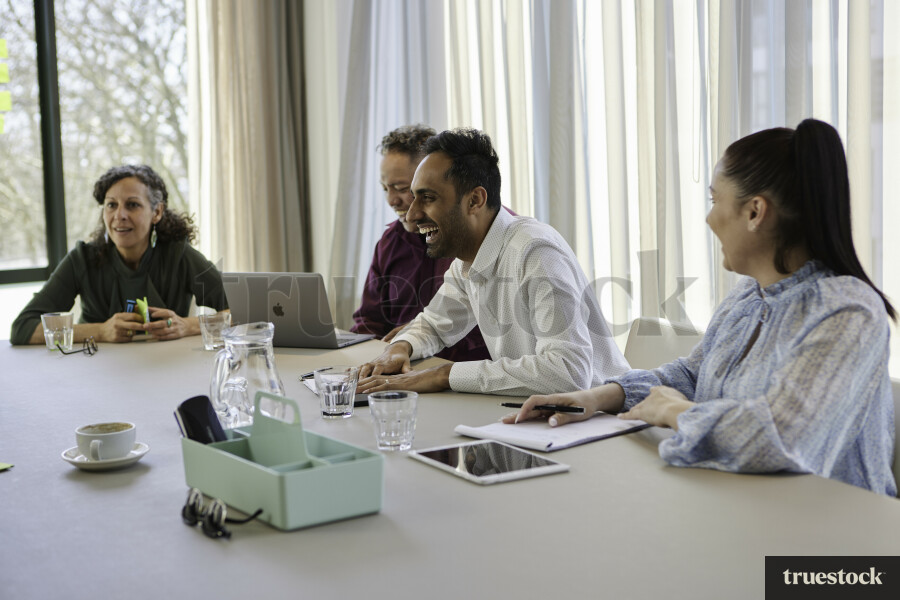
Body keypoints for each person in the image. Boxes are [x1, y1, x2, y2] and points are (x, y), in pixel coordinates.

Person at [506, 119, 897, 496]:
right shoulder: (748, 294)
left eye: (715, 200)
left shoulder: (848, 313)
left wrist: (677, 413)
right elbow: (693, 375)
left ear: (755, 212)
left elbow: (778, 437)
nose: (709, 218)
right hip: (741, 504)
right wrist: (594, 397)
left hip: (837, 543)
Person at [357, 127, 629, 396]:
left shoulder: (536, 252)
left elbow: (568, 371)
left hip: (603, 420)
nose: (413, 215)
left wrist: (444, 375)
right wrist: (400, 348)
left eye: (428, 198)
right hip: (544, 417)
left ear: (475, 200)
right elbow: (435, 323)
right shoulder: (468, 257)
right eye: (414, 197)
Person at [10, 164, 228, 345]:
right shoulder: (81, 259)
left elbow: (245, 313)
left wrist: (187, 325)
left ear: (157, 212)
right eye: (111, 205)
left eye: (132, 205)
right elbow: (23, 328)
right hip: (93, 376)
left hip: (164, 371)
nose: (119, 215)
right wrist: (101, 331)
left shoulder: (179, 255)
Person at [351, 125, 492, 362]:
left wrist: (418, 337)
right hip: (400, 366)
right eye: (385, 189)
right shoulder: (390, 242)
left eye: (402, 188)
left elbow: (489, 331)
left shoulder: (476, 239)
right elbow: (368, 321)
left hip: (462, 374)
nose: (391, 200)